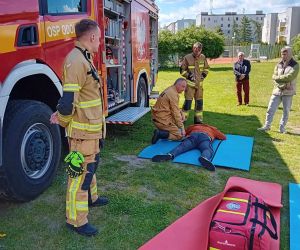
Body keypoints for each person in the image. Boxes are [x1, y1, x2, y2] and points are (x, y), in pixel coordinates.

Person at [50, 19, 108, 236]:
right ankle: (76, 221)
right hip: (81, 134)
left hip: (91, 132)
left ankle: (92, 199)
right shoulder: (76, 60)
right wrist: (62, 119)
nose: (100, 42)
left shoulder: (84, 58)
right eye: (99, 38)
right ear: (92, 37)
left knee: (90, 168)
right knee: (79, 177)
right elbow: (67, 103)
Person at [258, 46, 299, 133]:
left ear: (290, 54)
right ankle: (267, 126)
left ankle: (282, 128)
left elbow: (290, 77)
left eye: (285, 54)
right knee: (270, 108)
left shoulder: (295, 65)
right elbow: (274, 77)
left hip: (288, 92)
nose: (283, 56)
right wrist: (281, 84)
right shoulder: (278, 64)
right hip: (277, 91)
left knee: (286, 111)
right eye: (282, 54)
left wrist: (278, 78)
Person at [152, 123, 226, 171]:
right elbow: (223, 137)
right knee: (207, 149)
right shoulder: (212, 129)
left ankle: (170, 155)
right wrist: (214, 133)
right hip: (204, 137)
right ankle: (204, 157)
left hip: (193, 136)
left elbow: (185, 132)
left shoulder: (194, 126)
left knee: (182, 147)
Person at [180, 42, 210, 124]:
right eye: (195, 49)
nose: (197, 51)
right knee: (187, 104)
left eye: (199, 50)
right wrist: (188, 75)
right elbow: (182, 70)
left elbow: (206, 68)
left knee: (199, 104)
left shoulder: (203, 57)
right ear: (193, 48)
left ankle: (198, 121)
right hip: (190, 86)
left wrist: (204, 75)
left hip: (199, 87)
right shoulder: (187, 57)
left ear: (201, 50)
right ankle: (182, 120)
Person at [151, 78, 187, 144]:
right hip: (162, 121)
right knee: (180, 136)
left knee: (179, 119)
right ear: (178, 85)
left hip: (157, 118)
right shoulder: (173, 94)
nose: (184, 89)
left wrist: (181, 113)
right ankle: (160, 134)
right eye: (183, 86)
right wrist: (182, 128)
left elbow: (174, 108)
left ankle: (163, 130)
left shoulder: (170, 89)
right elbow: (175, 113)